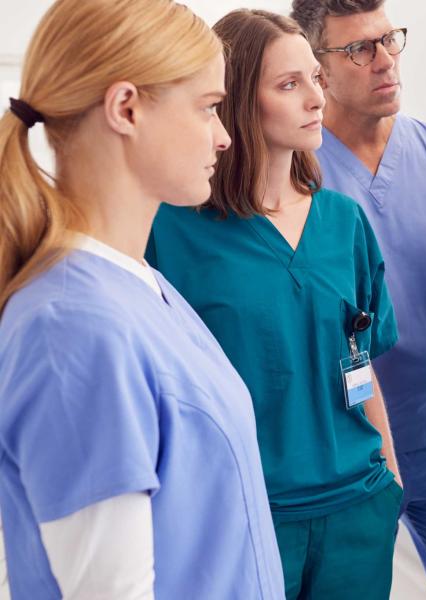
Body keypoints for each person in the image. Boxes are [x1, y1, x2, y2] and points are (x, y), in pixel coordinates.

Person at [0, 0, 283, 598]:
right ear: (126, 108)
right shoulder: (71, 327)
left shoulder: (140, 286)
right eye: (209, 107)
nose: (225, 136)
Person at [146, 10, 401, 599]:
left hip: (358, 509)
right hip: (240, 512)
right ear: (234, 103)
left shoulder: (344, 222)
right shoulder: (172, 229)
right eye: (289, 85)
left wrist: (390, 477)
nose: (317, 98)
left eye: (315, 78)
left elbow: (364, 362)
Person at [288, 2, 426, 597]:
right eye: (360, 48)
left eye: (389, 40)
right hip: (337, 453)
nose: (385, 61)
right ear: (317, 70)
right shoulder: (294, 173)